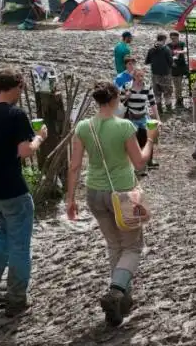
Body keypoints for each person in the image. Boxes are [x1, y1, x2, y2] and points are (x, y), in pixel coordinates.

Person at [66, 81, 158, 326]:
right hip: (123, 191)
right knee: (133, 247)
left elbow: (74, 166)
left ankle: (123, 298)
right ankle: (116, 290)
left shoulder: (84, 127)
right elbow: (139, 163)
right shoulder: (124, 126)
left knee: (114, 245)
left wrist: (70, 199)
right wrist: (149, 139)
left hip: (95, 191)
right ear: (116, 98)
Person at [0, 69, 48, 317]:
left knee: (3, 234)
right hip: (13, 188)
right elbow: (25, 151)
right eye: (21, 88)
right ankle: (16, 298)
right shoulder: (16, 115)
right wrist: (39, 138)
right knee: (19, 245)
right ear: (15, 87)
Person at [120, 68, 160, 173]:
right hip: (131, 116)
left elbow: (152, 102)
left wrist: (157, 118)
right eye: (138, 76)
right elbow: (120, 100)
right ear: (134, 76)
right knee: (134, 140)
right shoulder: (127, 86)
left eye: (142, 76)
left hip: (143, 116)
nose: (140, 78)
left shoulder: (147, 87)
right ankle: (136, 163)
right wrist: (126, 96)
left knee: (150, 136)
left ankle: (149, 160)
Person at [145, 33, 174, 114]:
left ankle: (159, 110)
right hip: (165, 75)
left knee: (157, 93)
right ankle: (169, 110)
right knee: (167, 93)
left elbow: (147, 61)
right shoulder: (166, 49)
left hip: (155, 75)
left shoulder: (151, 49)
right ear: (164, 39)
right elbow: (171, 62)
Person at [168, 31, 188, 109]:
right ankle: (178, 99)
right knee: (176, 84)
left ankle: (179, 98)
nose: (173, 40)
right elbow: (167, 56)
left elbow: (185, 51)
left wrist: (178, 51)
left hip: (181, 66)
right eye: (172, 38)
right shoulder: (168, 45)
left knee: (179, 84)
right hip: (173, 67)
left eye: (175, 38)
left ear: (178, 37)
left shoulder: (182, 44)